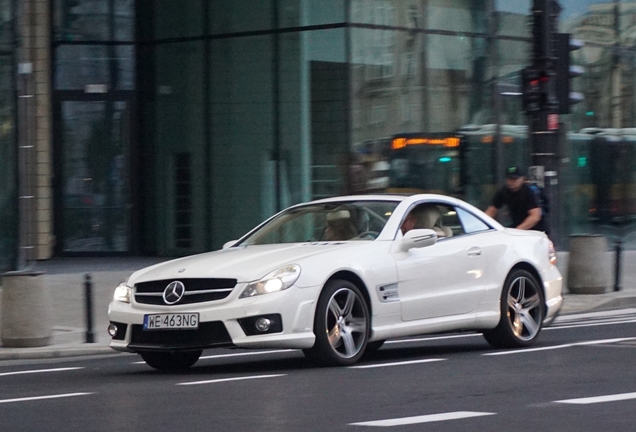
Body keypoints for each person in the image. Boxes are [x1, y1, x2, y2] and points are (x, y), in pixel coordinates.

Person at [485, 166, 547, 232]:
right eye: (509, 178)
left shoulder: (529, 191)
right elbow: (491, 210)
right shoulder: (504, 192)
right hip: (518, 226)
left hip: (536, 230)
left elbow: (535, 216)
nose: (511, 181)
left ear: (522, 179)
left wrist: (517, 231)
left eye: (515, 179)